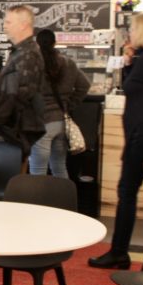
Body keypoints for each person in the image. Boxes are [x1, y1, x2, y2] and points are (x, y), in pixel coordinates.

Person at [89, 12, 143, 269]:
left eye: (135, 29)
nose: (131, 34)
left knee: (127, 192)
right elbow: (137, 89)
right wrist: (128, 64)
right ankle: (121, 251)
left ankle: (119, 251)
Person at [28, 29, 90, 178]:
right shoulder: (68, 63)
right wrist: (70, 104)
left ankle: (37, 195)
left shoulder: (32, 65)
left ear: (37, 44)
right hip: (61, 122)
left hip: (40, 123)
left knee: (37, 171)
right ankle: (63, 194)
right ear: (55, 43)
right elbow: (84, 85)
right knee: (59, 167)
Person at [0, 5, 45, 155]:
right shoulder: (21, 52)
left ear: (23, 25)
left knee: (12, 169)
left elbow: (23, 93)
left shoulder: (28, 54)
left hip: (16, 129)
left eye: (8, 22)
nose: (4, 26)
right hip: (13, 128)